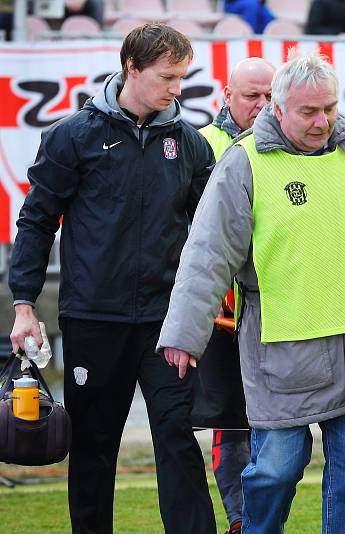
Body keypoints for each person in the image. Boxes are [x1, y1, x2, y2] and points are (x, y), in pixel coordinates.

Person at [156, 50, 345, 533]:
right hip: (282, 354)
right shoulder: (243, 163)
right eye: (308, 111)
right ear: (278, 107)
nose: (322, 121)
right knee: (275, 471)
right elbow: (207, 256)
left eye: (329, 108)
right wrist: (185, 333)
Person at [8, 23, 216, 534]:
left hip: (167, 322)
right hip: (92, 319)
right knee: (94, 446)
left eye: (182, 77)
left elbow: (212, 233)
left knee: (176, 437)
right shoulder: (71, 136)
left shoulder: (189, 145)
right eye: (167, 76)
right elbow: (36, 221)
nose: (177, 89)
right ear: (132, 69)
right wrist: (23, 303)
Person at [195, 56, 275, 534]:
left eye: (270, 96)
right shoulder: (202, 145)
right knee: (232, 425)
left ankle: (264, 517)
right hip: (223, 322)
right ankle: (242, 521)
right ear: (227, 96)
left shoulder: (296, 146)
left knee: (281, 432)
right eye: (252, 96)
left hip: (281, 313)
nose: (262, 106)